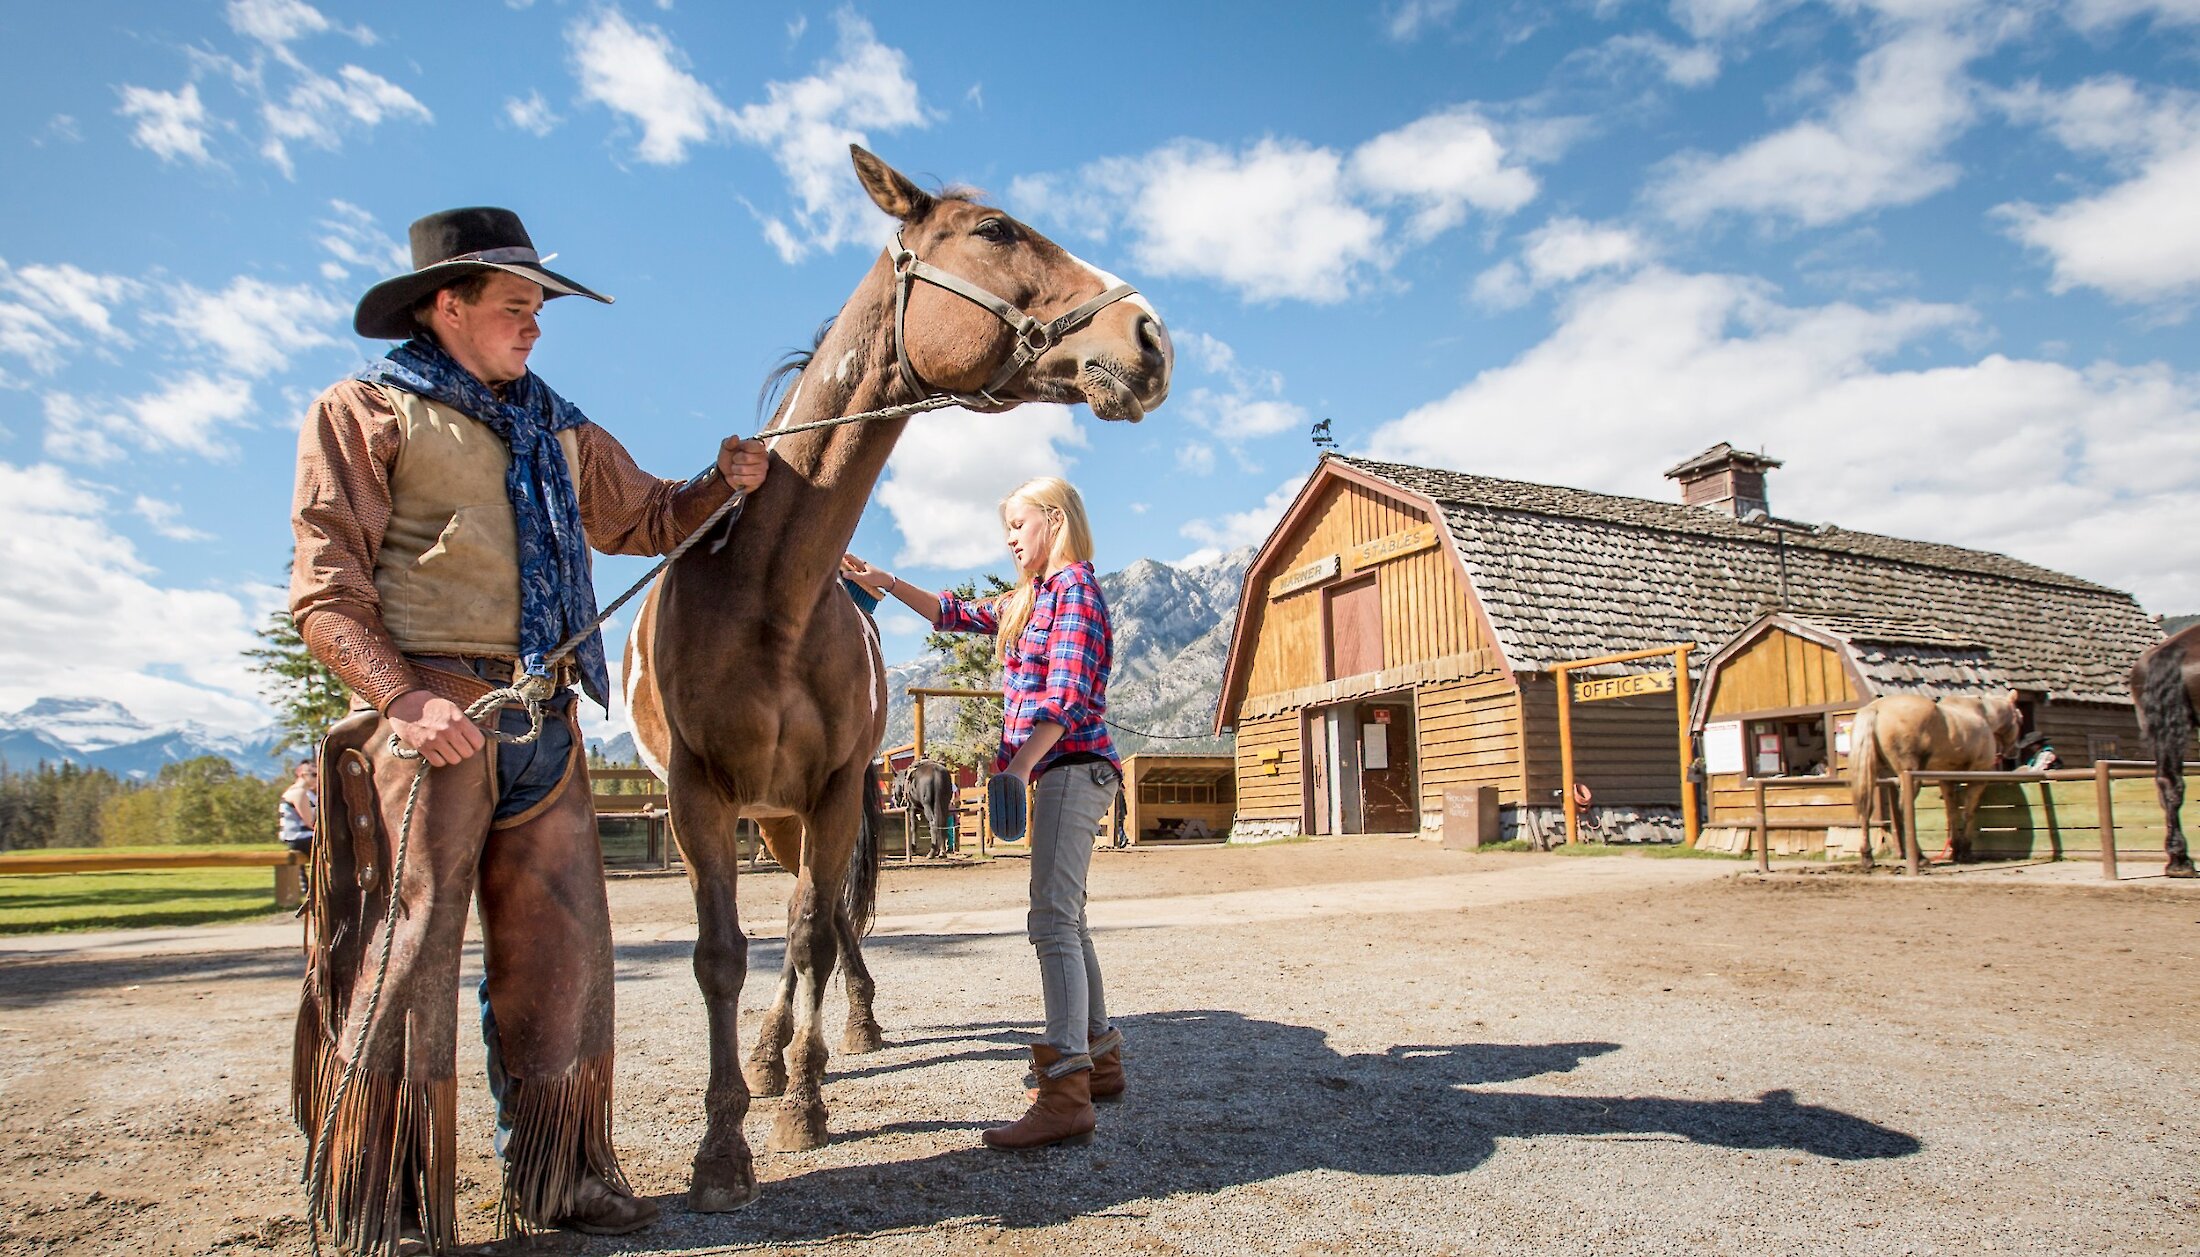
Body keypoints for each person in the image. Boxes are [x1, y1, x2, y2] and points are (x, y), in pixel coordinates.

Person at [287, 206, 769, 1249]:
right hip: (431, 721)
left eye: (540, 307)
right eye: (517, 305)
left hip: (544, 726)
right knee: (406, 959)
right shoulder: (365, 409)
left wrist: (714, 487)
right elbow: (325, 589)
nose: (536, 325)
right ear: (446, 304)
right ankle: (391, 1207)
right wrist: (403, 700)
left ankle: (560, 1181)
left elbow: (642, 520)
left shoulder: (560, 426)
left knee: (564, 960)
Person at [843, 476, 1123, 1150]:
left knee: (1050, 918)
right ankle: (1100, 1057)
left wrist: (1020, 764)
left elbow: (1065, 696)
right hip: (1060, 768)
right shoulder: (1032, 597)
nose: (1010, 537)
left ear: (1054, 521)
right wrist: (884, 578)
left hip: (1068, 768)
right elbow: (951, 612)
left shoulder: (1077, 592)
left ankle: (1065, 1090)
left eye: (1018, 525)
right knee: (1069, 914)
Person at [277, 759, 317, 854]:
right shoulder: (299, 793)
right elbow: (311, 823)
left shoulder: (306, 793)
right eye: (314, 775)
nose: (317, 778)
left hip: (301, 838)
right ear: (302, 775)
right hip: (299, 838)